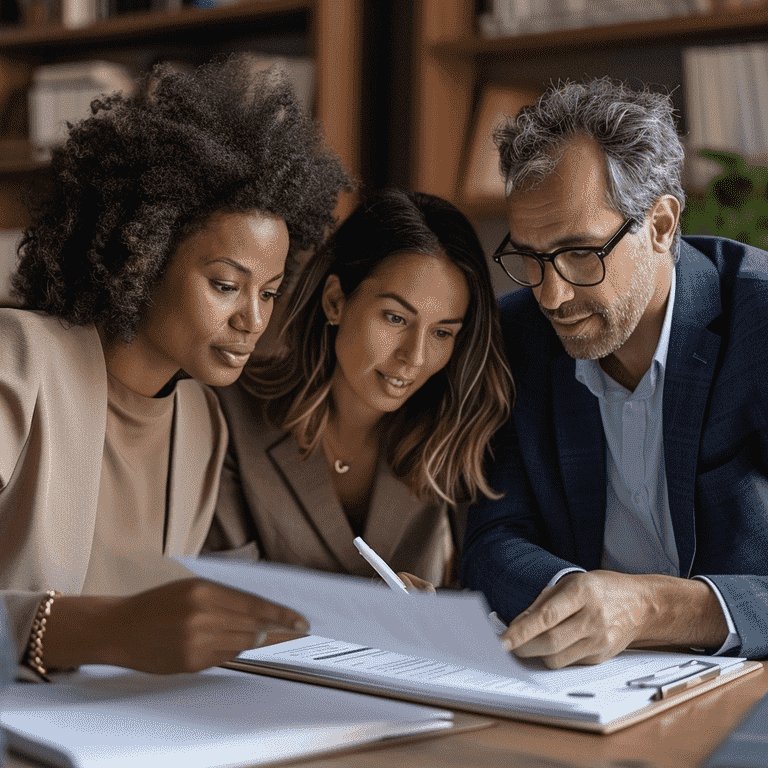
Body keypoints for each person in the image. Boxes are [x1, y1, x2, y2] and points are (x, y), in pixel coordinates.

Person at [0, 54, 351, 678]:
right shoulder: (18, 363)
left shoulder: (199, 423)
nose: (253, 320)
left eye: (268, 292)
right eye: (225, 285)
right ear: (143, 252)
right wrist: (101, 632)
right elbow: (120, 631)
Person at [460, 77, 768, 667]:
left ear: (660, 225)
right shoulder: (516, 336)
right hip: (589, 690)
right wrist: (571, 600)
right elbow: (493, 538)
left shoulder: (758, 321)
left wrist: (649, 609)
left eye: (581, 253)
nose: (552, 296)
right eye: (530, 255)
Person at [206, 189, 512, 588]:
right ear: (335, 301)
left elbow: (476, 596)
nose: (415, 357)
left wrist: (434, 613)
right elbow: (227, 598)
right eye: (395, 318)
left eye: (442, 332)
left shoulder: (457, 429)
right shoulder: (228, 411)